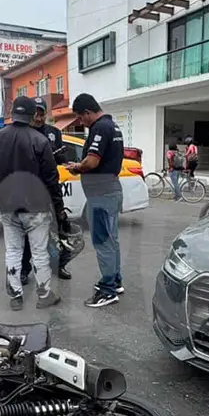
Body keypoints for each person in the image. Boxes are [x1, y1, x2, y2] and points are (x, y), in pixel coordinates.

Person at [0, 96, 65, 311]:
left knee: (13, 251)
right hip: (36, 206)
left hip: (7, 205)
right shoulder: (39, 140)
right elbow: (51, 178)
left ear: (12, 112)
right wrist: (59, 206)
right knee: (39, 252)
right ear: (30, 114)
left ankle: (16, 296)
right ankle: (44, 295)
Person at [67, 94, 124, 308]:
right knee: (112, 240)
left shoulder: (100, 128)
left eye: (81, 118)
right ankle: (115, 281)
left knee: (103, 242)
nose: (82, 122)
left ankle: (108, 290)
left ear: (88, 112)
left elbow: (91, 161)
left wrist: (77, 167)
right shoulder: (113, 126)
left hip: (101, 195)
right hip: (110, 190)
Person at [20, 97, 72, 283]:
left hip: (51, 188)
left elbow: (61, 158)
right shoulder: (22, 133)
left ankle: (58, 266)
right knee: (28, 233)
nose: (39, 118)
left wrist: (59, 155)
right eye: (35, 114)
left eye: (42, 114)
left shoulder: (54, 132)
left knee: (56, 231)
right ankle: (24, 269)